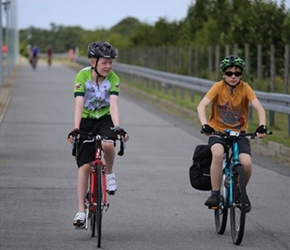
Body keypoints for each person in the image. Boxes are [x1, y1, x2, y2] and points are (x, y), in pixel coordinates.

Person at [67, 41, 129, 228]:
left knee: (108, 144)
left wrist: (117, 126)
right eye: (105, 62)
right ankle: (80, 211)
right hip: (86, 120)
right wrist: (76, 128)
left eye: (111, 62)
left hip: (104, 119)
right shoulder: (82, 76)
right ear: (93, 61)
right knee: (85, 166)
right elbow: (78, 104)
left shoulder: (113, 78)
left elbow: (114, 104)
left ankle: (109, 174)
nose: (108, 66)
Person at [197, 55, 267, 213]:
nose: (233, 76)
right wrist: (205, 125)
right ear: (223, 75)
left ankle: (239, 191)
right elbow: (201, 106)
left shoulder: (245, 88)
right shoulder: (218, 87)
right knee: (218, 153)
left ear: (241, 75)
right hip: (218, 131)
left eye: (237, 73)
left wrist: (262, 126)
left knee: (246, 163)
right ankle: (215, 194)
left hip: (239, 133)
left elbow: (259, 108)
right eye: (229, 73)